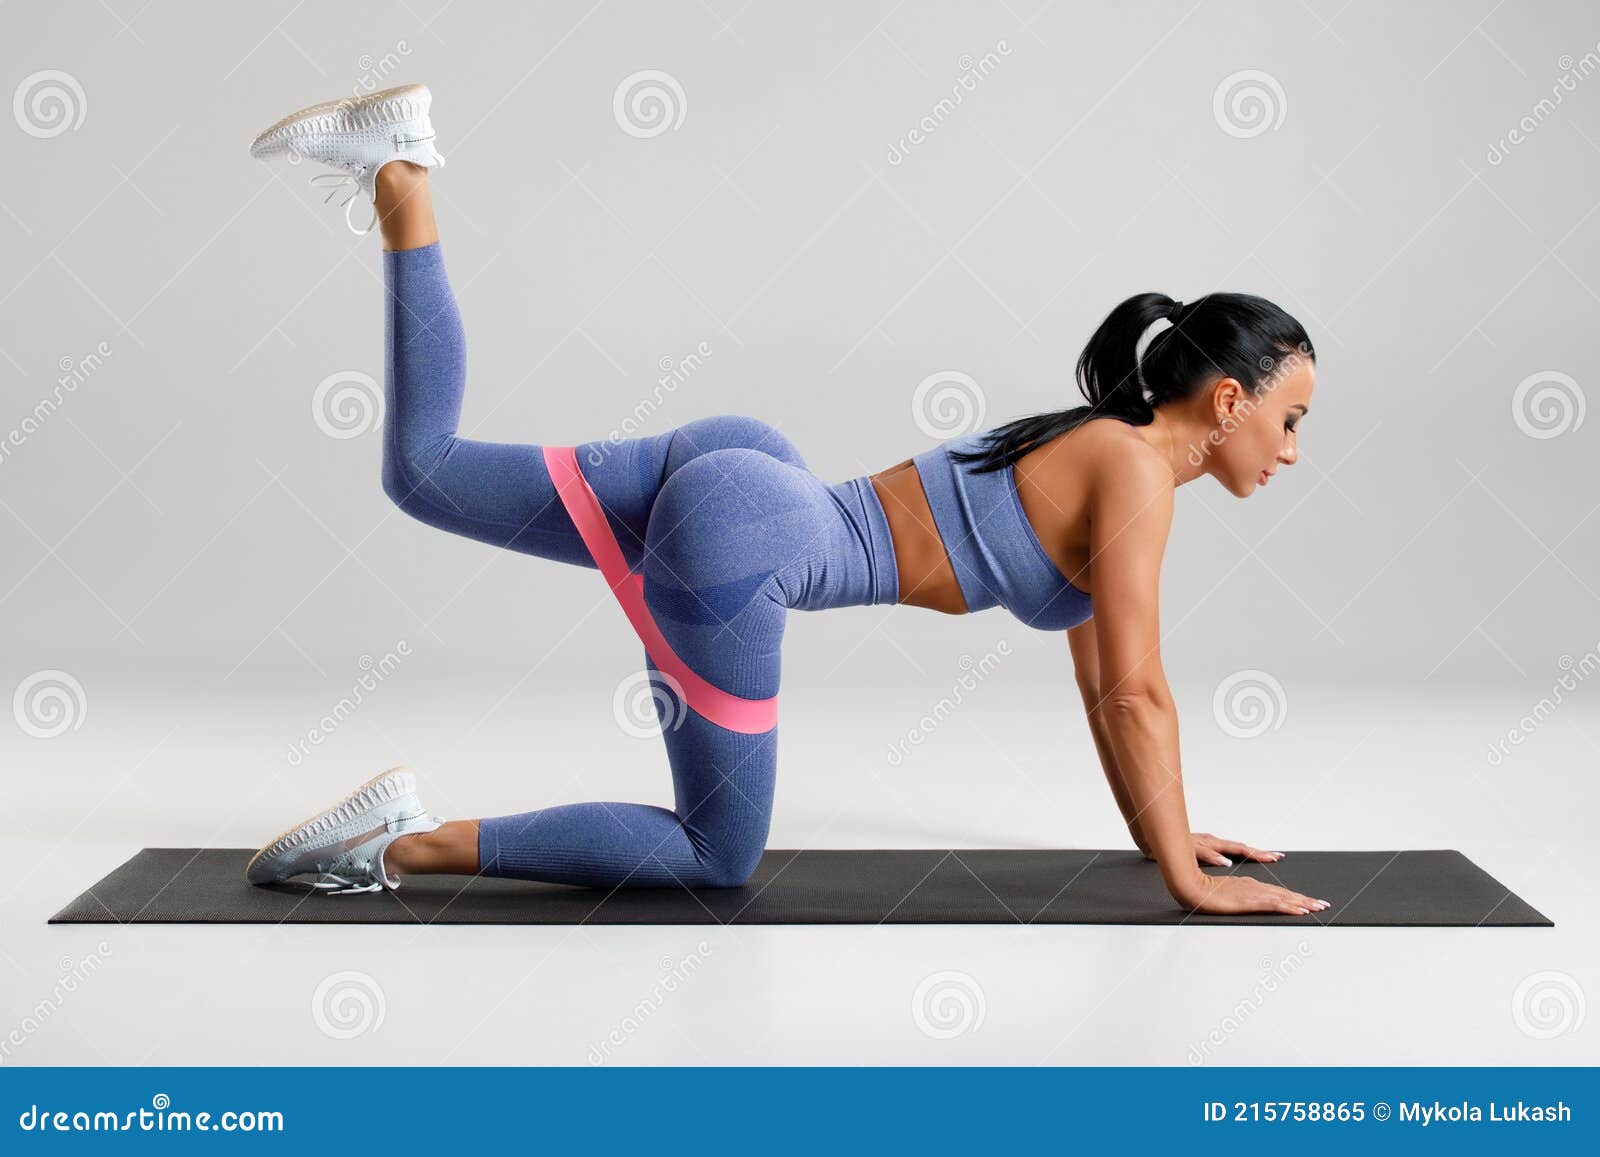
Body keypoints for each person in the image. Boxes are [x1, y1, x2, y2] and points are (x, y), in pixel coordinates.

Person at [243, 84, 1328, 918]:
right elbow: (1140, 692)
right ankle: (396, 840)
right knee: (716, 854)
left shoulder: (1100, 452)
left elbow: (1106, 696)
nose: (1290, 450)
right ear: (1226, 400)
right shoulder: (1134, 472)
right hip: (742, 540)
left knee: (423, 468)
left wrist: (1169, 841)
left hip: (752, 482)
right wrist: (1190, 879)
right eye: (1289, 420)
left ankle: (403, 178)